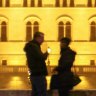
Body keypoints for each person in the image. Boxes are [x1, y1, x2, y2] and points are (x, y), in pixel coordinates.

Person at [24, 31, 49, 96]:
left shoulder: (32, 46)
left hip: (34, 73)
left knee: (35, 92)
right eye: (42, 38)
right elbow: (41, 57)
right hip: (38, 73)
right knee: (41, 92)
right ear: (37, 38)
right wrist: (47, 53)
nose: (43, 40)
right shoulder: (34, 47)